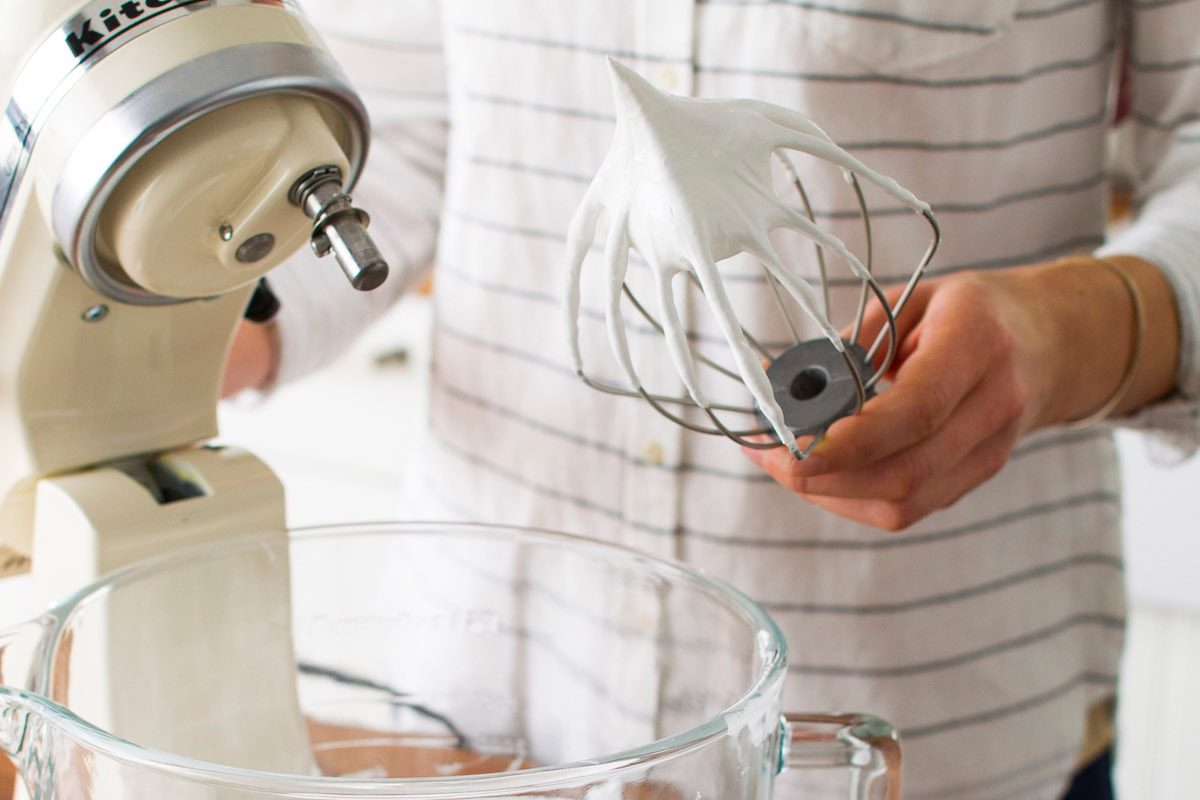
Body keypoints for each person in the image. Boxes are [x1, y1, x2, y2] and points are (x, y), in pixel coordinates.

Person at [226, 1, 1200, 797]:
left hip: (929, 732)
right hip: (490, 718)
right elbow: (387, 128)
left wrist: (1090, 325)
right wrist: (230, 304)